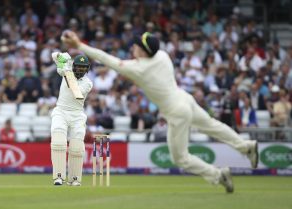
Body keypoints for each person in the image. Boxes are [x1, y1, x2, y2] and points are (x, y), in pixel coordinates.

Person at [62, 31, 259, 193]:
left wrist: (79, 44)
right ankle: (246, 146)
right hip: (185, 99)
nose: (133, 47)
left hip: (176, 111)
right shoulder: (162, 56)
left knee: (180, 158)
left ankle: (218, 175)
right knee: (213, 126)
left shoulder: (138, 69)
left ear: (144, 50)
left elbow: (107, 59)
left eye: (137, 45)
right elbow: (129, 55)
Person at [51, 52, 92, 186]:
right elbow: (54, 56)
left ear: (87, 69)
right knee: (58, 142)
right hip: (61, 111)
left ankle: (74, 179)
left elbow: (76, 92)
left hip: (77, 115)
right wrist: (62, 57)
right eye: (78, 67)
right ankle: (58, 176)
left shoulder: (87, 83)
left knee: (76, 147)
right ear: (74, 66)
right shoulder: (68, 67)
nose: (80, 70)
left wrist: (66, 71)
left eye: (83, 68)